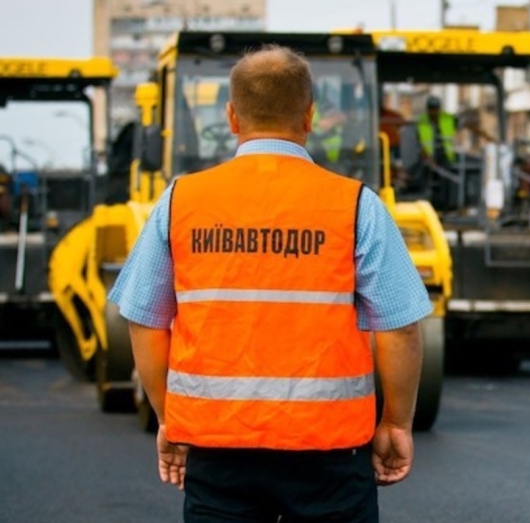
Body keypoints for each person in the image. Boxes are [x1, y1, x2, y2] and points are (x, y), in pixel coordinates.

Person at [108, 44, 432, 523]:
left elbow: (143, 319)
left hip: (219, 451)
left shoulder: (181, 201)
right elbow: (400, 328)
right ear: (310, 116)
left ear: (231, 117)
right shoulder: (356, 205)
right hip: (329, 453)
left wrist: (168, 418)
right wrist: (396, 423)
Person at [416, 95, 457, 167]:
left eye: (435, 109)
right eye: (431, 109)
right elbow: (418, 142)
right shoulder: (421, 122)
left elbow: (464, 122)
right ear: (427, 110)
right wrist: (426, 155)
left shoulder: (448, 119)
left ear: (439, 109)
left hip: (446, 157)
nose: (433, 112)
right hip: (430, 159)